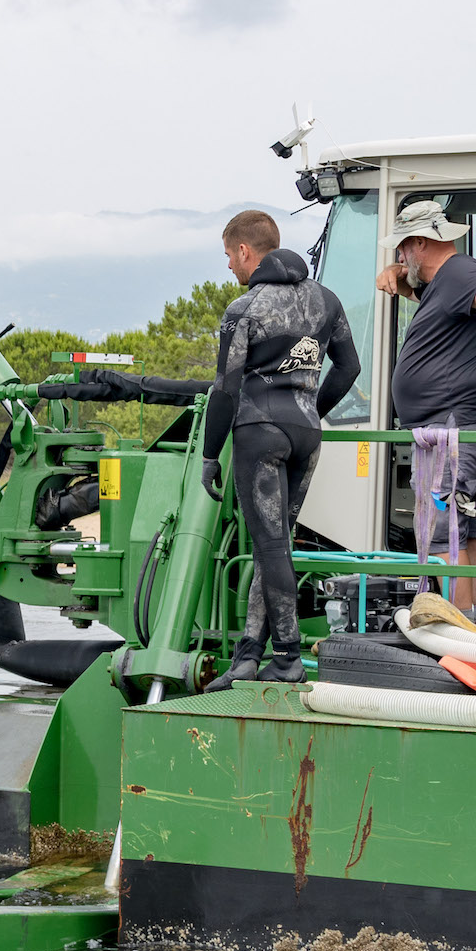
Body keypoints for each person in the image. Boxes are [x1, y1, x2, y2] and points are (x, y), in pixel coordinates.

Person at [200, 209, 361, 690]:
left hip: (259, 433)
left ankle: (287, 657)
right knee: (275, 544)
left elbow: (225, 389)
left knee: (270, 547)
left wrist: (210, 454)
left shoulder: (244, 309)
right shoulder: (326, 300)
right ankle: (249, 654)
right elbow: (349, 368)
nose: (229, 265)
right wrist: (310, 409)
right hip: (306, 434)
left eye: (229, 255)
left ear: (244, 250)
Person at [376, 199, 476, 615]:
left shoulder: (459, 272)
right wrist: (396, 273)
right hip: (468, 425)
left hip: (451, 430)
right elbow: (416, 287)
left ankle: (454, 629)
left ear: (421, 243)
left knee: (444, 532)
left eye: (403, 247)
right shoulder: (443, 282)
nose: (400, 254)